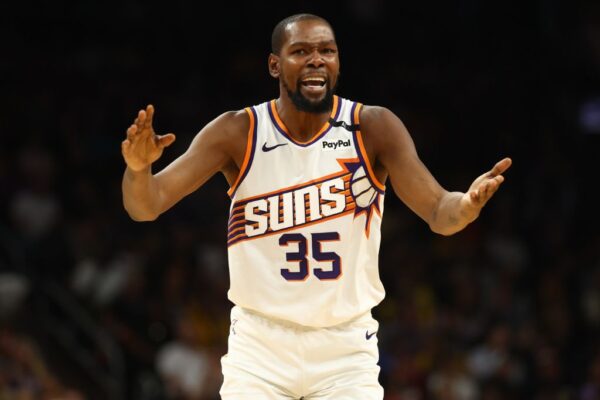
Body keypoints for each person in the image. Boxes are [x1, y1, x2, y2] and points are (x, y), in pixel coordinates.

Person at [121, 13, 512, 399]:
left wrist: (466, 205)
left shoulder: (372, 127)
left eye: (327, 50)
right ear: (275, 65)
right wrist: (138, 170)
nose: (316, 59)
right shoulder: (237, 132)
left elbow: (439, 212)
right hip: (260, 348)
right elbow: (146, 205)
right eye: (301, 51)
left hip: (345, 350)